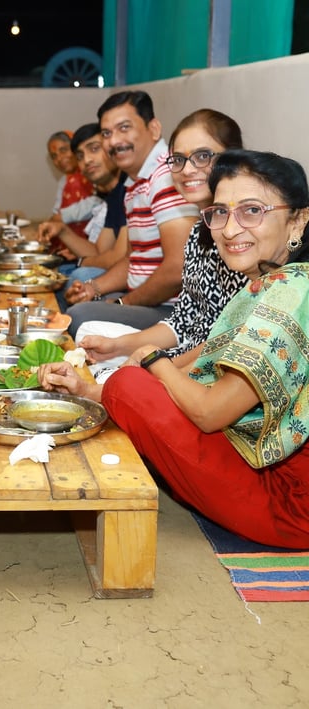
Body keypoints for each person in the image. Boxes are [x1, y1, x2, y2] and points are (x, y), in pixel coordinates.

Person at [39, 149, 309, 548]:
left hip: (289, 505)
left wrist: (154, 361)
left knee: (131, 387)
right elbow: (207, 356)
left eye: (252, 211)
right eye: (220, 212)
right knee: (131, 385)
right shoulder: (274, 281)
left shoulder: (290, 294)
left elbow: (210, 413)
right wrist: (90, 391)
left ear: (298, 220)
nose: (230, 229)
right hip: (263, 466)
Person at [78, 109, 249, 376]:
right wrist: (116, 346)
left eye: (203, 156)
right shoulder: (198, 231)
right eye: (179, 159)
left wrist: (153, 367)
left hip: (214, 369)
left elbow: (227, 341)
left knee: (101, 363)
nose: (187, 169)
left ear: (234, 158)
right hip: (183, 351)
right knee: (89, 336)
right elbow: (181, 322)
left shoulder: (241, 232)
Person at [65, 91, 200, 337]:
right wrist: (92, 288)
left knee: (79, 316)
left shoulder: (166, 176)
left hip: (174, 311)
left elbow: (178, 269)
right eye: (107, 133)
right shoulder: (134, 183)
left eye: (124, 128)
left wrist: (123, 303)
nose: (114, 141)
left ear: (154, 129)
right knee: (77, 291)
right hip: (145, 300)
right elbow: (133, 258)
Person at [37, 123, 127, 299]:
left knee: (78, 276)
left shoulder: (130, 188)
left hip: (137, 283)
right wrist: (62, 230)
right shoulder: (114, 196)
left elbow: (118, 257)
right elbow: (99, 251)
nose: (87, 160)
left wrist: (81, 261)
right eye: (80, 156)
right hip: (111, 271)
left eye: (94, 149)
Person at [45, 129, 97, 242]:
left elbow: (99, 202)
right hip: (68, 241)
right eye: (54, 156)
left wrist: (63, 216)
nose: (59, 158)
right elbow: (56, 211)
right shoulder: (64, 181)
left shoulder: (94, 171)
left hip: (93, 240)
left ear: (76, 149)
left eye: (63, 150)